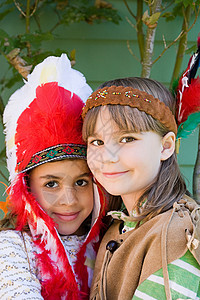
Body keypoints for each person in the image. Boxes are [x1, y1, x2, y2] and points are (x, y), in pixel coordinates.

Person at [82, 74, 200, 300]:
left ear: (166, 146)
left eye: (127, 139)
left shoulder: (176, 234)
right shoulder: (121, 223)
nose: (107, 157)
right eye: (97, 142)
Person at [0, 54, 107, 299]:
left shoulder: (110, 241)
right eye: (51, 184)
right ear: (26, 188)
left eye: (81, 182)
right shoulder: (13, 248)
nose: (68, 200)